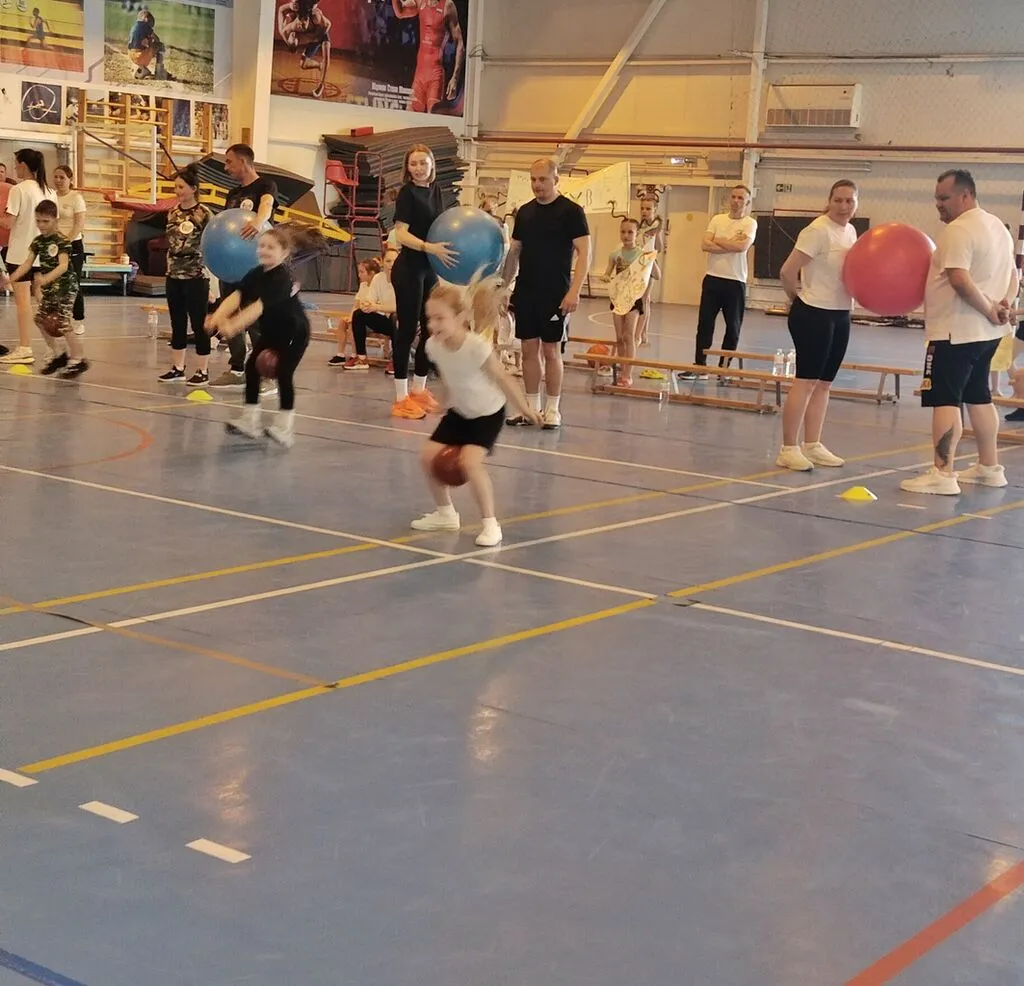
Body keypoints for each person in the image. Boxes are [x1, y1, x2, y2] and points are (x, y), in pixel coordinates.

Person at [901, 170, 1018, 495]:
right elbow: (1013, 275)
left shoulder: (958, 230)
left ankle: (942, 474)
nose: (939, 204)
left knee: (945, 399)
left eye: (944, 198)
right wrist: (1004, 303)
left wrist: (991, 308)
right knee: (978, 395)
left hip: (954, 332)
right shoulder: (997, 227)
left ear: (966, 196)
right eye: (937, 198)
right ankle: (989, 468)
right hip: (985, 334)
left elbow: (959, 280)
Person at [410, 278, 541, 547]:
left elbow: (503, 378)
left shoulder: (476, 347)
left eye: (440, 318)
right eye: (430, 318)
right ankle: (446, 514)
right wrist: (443, 403)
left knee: (470, 463)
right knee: (427, 457)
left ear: (460, 318)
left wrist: (525, 407)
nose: (433, 324)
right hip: (460, 411)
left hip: (487, 413)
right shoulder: (433, 346)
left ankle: (491, 524)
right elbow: (449, 376)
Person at [206, 225, 323, 448]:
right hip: (272, 330)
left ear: (284, 253)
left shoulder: (282, 278)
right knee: (252, 368)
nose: (264, 250)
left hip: (293, 332)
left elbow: (256, 308)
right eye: (261, 246)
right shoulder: (257, 273)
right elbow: (237, 296)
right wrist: (217, 317)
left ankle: (285, 428)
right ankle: (249, 420)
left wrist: (232, 326)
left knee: (283, 374)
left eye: (271, 247)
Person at [775, 179, 859, 471]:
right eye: (838, 200)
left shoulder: (850, 231)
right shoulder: (817, 230)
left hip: (840, 313)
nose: (844, 206)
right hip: (813, 313)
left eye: (849, 201)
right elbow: (787, 271)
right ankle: (788, 448)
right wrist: (797, 299)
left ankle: (812, 444)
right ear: (829, 201)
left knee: (824, 383)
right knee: (806, 381)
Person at [501, 157, 591, 429]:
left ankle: (553, 410)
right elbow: (514, 253)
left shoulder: (572, 211)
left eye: (542, 179)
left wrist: (574, 291)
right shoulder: (525, 213)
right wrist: (503, 287)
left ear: (556, 179)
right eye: (533, 179)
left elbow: (585, 253)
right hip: (527, 292)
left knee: (551, 351)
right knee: (528, 350)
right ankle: (531, 409)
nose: (537, 184)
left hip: (556, 294)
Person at [388, 143, 457, 419]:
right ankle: (400, 398)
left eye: (423, 163)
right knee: (406, 332)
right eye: (413, 163)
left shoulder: (436, 190)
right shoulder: (407, 193)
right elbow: (401, 234)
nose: (418, 168)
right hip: (409, 269)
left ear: (431, 165)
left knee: (430, 330)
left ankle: (419, 389)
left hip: (429, 269)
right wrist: (429, 248)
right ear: (407, 167)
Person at [208, 144, 280, 390]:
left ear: (243, 161)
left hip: (254, 267)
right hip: (229, 267)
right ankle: (237, 368)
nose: (226, 167)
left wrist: (258, 221)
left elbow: (267, 205)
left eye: (229, 162)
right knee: (230, 315)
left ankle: (266, 374)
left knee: (256, 321)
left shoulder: (265, 185)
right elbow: (224, 229)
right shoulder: (233, 193)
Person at [1, 200, 87, 378]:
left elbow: (63, 266)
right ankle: (58, 354)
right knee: (40, 319)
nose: (41, 225)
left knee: (63, 323)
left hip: (66, 287)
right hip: (51, 288)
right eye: (38, 221)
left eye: (45, 221)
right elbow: (27, 264)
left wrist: (45, 278)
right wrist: (11, 278)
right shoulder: (38, 241)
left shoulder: (62, 241)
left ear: (55, 219)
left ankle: (78, 359)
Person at [684, 184, 757, 380]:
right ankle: (700, 366)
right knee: (705, 324)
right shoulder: (717, 219)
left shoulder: (750, 223)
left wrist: (719, 240)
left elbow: (742, 247)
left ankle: (723, 369)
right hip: (713, 279)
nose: (736, 201)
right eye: (734, 197)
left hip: (735, 281)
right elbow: (704, 244)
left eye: (741, 198)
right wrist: (730, 243)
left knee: (733, 327)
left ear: (747, 202)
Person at [0, 148, 57, 366]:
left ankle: (25, 347)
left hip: (21, 254)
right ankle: (55, 348)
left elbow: (8, 223)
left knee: (23, 303)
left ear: (23, 165)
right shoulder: (50, 192)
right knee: (42, 301)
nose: (14, 167)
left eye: (16, 163)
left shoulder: (19, 190)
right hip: (44, 255)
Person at [159, 166, 214, 385]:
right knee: (177, 322)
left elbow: (212, 243)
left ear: (193, 189)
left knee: (199, 323)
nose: (177, 191)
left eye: (181, 187)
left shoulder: (204, 213)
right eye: (176, 187)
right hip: (173, 274)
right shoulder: (173, 212)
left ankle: (202, 370)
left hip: (196, 275)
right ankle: (178, 367)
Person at [602, 217, 659, 388]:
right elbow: (608, 273)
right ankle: (622, 368)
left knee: (629, 336)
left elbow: (657, 275)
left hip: (634, 300)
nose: (626, 235)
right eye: (623, 232)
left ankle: (628, 374)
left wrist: (651, 259)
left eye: (630, 232)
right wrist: (606, 277)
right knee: (619, 338)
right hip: (618, 299)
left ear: (636, 233)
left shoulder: (641, 254)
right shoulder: (615, 255)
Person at [391, 0, 464, 113]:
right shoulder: (421, 2)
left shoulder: (447, 5)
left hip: (435, 75)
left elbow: (460, 44)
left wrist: (455, 78)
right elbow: (399, 13)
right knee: (409, 115)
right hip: (419, 75)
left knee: (432, 117)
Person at [348, 250, 399, 371]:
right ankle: (361, 358)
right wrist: (366, 305)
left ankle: (397, 360)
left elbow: (400, 307)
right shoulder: (378, 278)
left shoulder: (405, 279)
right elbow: (370, 299)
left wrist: (376, 307)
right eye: (388, 261)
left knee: (395, 316)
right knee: (358, 314)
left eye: (395, 261)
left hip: (403, 322)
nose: (391, 264)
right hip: (386, 320)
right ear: (382, 263)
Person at [52, 166, 87, 337]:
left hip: (73, 245)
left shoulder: (76, 198)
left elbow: (79, 224)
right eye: (56, 177)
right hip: (54, 245)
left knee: (73, 284)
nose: (58, 180)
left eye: (62, 177)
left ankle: (78, 319)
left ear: (70, 180)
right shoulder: (51, 197)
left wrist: (66, 242)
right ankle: (60, 319)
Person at [328, 257, 379, 367]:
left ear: (371, 273)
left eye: (362, 272)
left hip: (372, 319)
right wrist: (350, 316)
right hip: (360, 315)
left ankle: (355, 354)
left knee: (353, 324)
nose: (359, 275)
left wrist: (353, 319)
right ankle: (340, 354)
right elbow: (356, 305)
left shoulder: (377, 287)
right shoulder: (363, 285)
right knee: (343, 322)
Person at [277, 0, 332, 99]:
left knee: (326, 52)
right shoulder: (292, 28)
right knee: (303, 64)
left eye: (304, 22)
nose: (302, 24)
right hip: (312, 36)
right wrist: (311, 38)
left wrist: (317, 37)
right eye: (301, 23)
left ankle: (321, 85)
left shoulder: (315, 16)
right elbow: (286, 33)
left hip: (320, 32)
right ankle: (320, 65)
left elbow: (328, 24)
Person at [635, 197, 663, 347]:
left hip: (649, 264)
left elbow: (659, 248)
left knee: (645, 299)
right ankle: (640, 330)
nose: (644, 211)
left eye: (648, 209)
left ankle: (642, 333)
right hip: (637, 263)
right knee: (639, 298)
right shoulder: (640, 226)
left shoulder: (656, 226)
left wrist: (656, 234)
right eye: (642, 208)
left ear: (654, 210)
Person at [127, 6, 166, 80]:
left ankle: (142, 69)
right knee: (161, 45)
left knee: (144, 49)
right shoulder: (145, 25)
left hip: (131, 55)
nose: (151, 27)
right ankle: (159, 71)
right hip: (140, 56)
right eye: (151, 25)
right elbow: (157, 39)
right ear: (146, 19)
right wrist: (154, 50)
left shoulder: (134, 26)